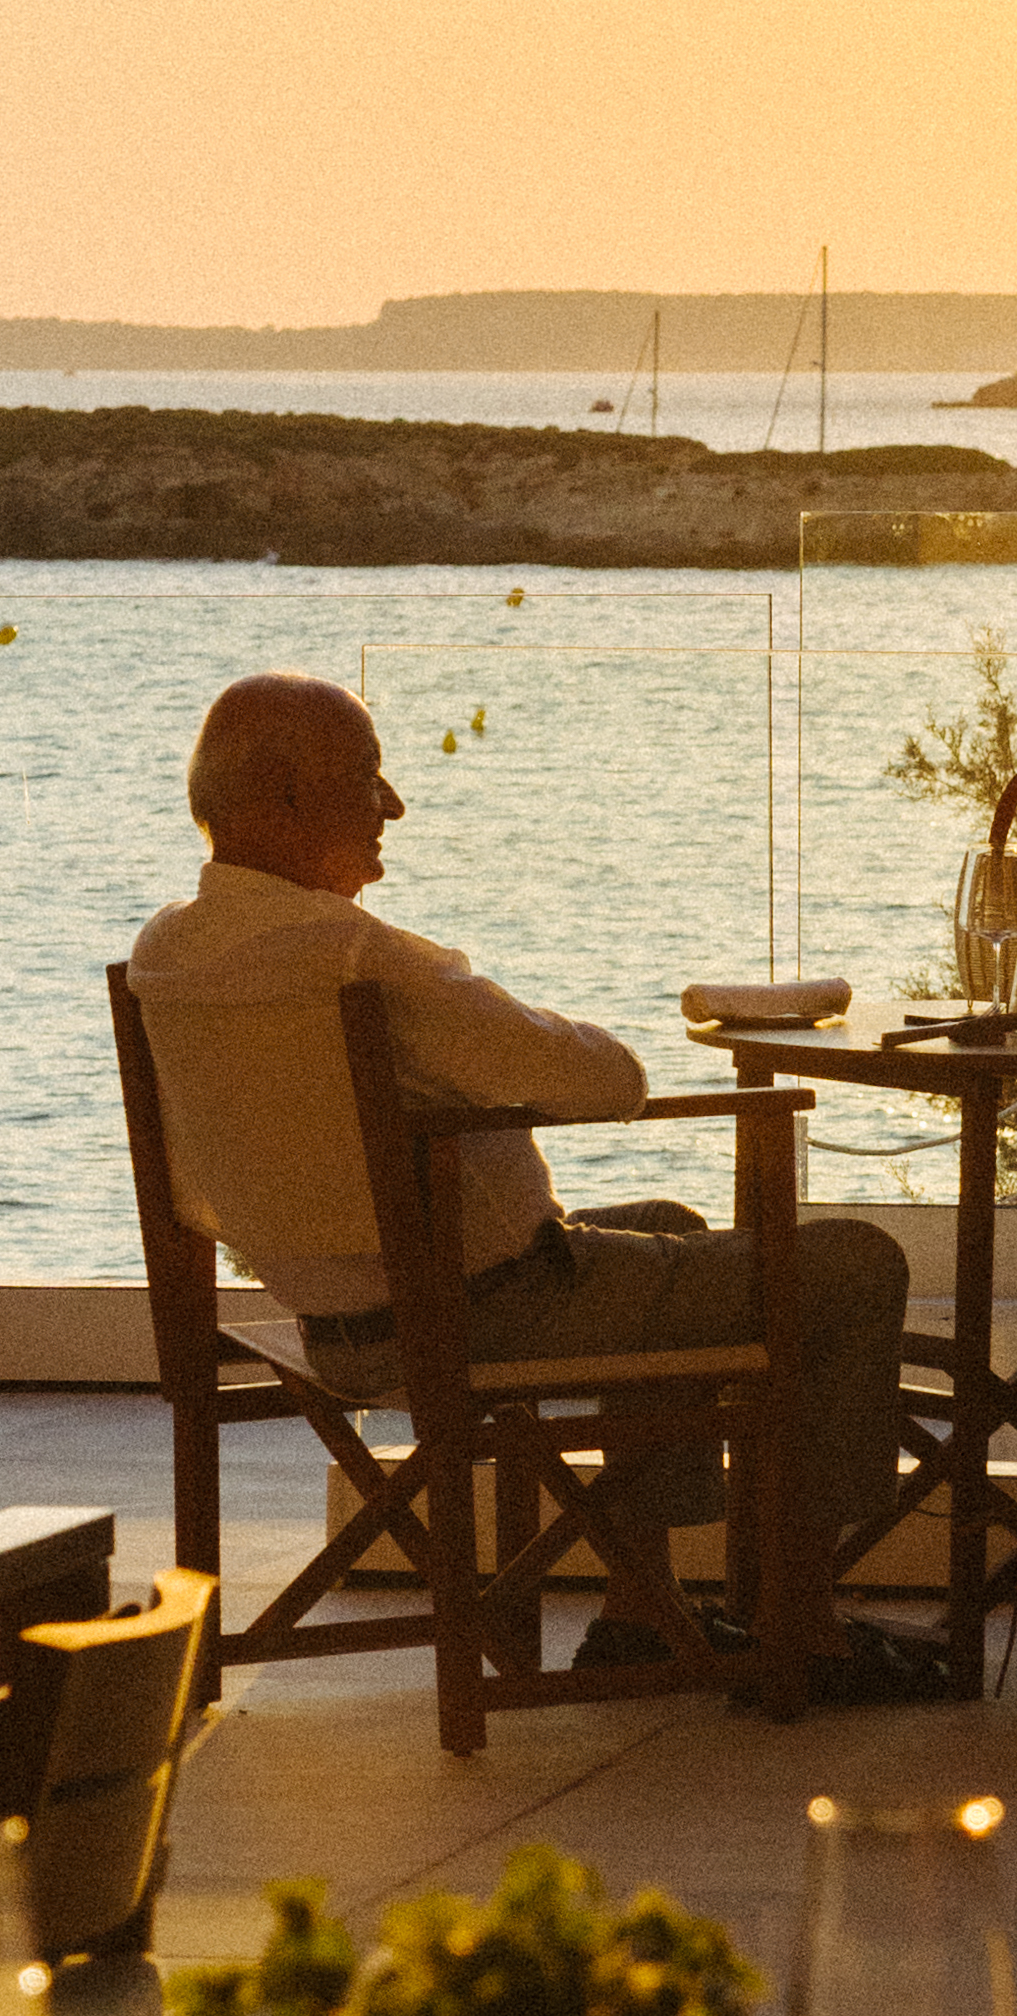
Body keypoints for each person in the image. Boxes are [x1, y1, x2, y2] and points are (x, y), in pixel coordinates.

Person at [126, 672, 931, 1699]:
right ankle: (802, 1624)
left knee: (668, 1231)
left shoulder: (170, 951)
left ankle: (641, 1611)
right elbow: (604, 1081)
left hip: (337, 1322)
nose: (394, 806)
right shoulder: (358, 960)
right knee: (853, 1265)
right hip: (478, 1316)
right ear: (283, 795)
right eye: (368, 778)